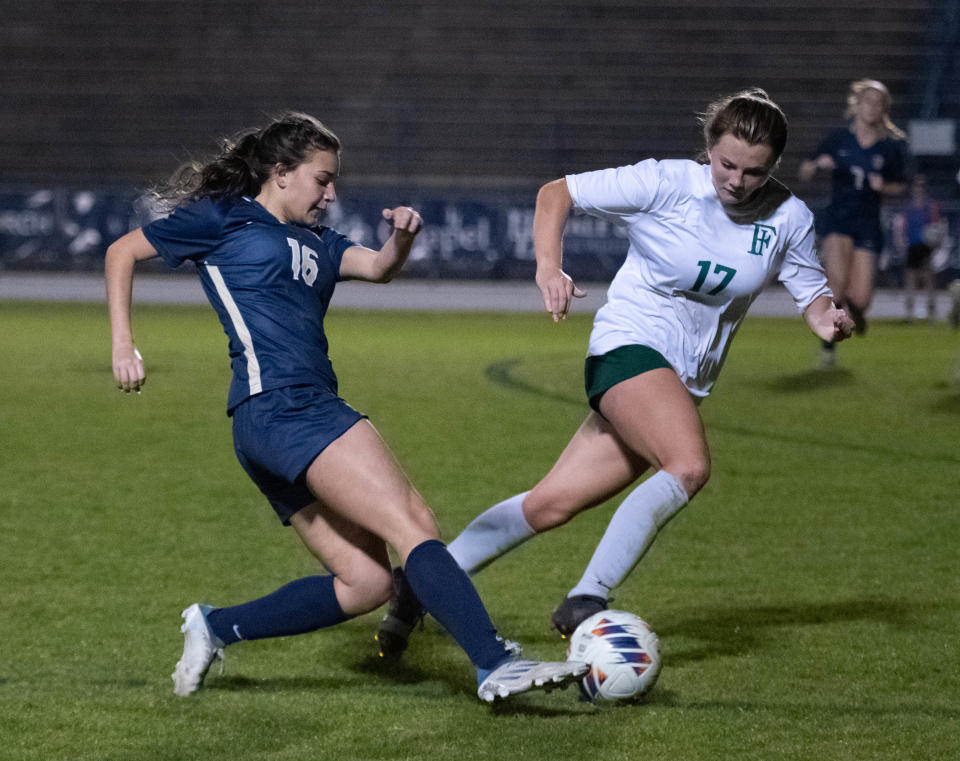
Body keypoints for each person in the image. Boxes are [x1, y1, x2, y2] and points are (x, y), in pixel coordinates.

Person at [105, 112, 586, 702]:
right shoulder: (223, 218)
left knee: (365, 582)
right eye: (322, 179)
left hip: (268, 423)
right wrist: (123, 343)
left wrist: (403, 237)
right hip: (289, 407)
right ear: (280, 173)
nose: (331, 193)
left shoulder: (319, 243)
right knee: (413, 524)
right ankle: (492, 663)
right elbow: (122, 252)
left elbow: (379, 267)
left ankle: (214, 625)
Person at [374, 88, 856, 657]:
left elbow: (813, 296)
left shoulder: (789, 217)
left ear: (772, 167)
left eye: (753, 172)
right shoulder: (665, 182)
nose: (736, 180)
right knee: (689, 465)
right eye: (726, 164)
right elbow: (558, 193)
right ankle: (587, 599)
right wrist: (549, 269)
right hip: (629, 347)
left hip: (681, 382)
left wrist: (829, 320)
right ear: (708, 148)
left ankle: (423, 582)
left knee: (550, 504)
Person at [798, 79, 907, 367]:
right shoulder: (837, 139)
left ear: (884, 109)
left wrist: (883, 186)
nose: (872, 107)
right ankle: (828, 349)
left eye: (878, 102)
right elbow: (805, 171)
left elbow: (901, 186)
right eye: (867, 101)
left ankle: (854, 312)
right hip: (838, 221)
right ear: (856, 104)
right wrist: (817, 164)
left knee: (861, 298)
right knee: (836, 287)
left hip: (868, 224)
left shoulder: (891, 146)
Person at [894, 175, 943, 323]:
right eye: (916, 186)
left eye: (921, 186)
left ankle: (931, 313)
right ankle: (910, 314)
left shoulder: (930, 206)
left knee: (928, 279)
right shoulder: (908, 207)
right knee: (910, 280)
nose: (918, 189)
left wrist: (935, 244)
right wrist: (901, 243)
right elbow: (902, 227)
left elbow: (937, 227)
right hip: (912, 246)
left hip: (925, 246)